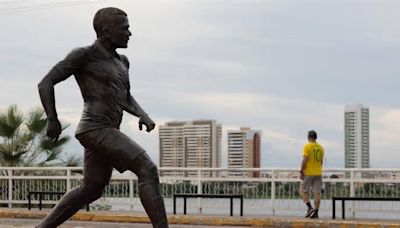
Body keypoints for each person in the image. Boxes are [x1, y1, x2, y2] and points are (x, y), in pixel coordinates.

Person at [37, 7, 168, 228]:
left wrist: (142, 114)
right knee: (147, 168)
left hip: (107, 130)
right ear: (107, 30)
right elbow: (46, 82)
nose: (130, 33)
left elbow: (124, 96)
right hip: (95, 128)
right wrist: (52, 118)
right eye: (125, 28)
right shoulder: (84, 55)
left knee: (93, 188)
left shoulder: (123, 62)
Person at [299, 130, 324, 219]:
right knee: (316, 193)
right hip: (318, 172)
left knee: (303, 191)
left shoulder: (307, 146)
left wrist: (301, 171)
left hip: (308, 173)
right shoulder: (321, 148)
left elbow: (305, 159)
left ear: (309, 137)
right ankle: (316, 213)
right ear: (316, 137)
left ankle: (309, 207)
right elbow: (321, 162)